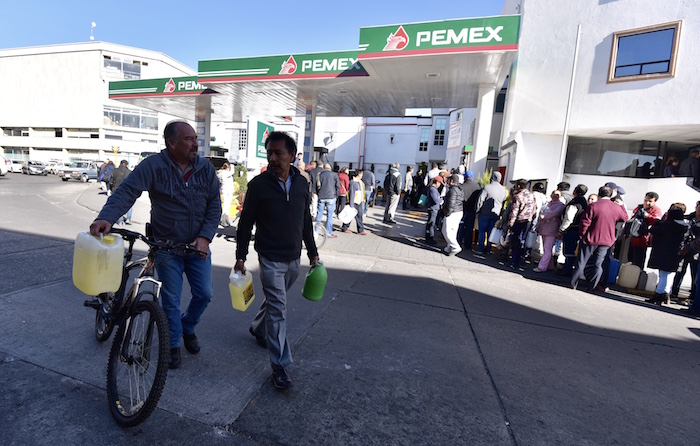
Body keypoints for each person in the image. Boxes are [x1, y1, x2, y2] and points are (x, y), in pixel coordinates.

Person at [90, 120, 221, 369]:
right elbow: (127, 191)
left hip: (197, 247)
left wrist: (205, 237)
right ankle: (172, 344)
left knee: (205, 294)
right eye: (189, 139)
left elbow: (214, 206)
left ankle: (187, 327)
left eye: (195, 138)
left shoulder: (205, 169)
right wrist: (106, 217)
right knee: (170, 300)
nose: (195, 144)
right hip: (166, 247)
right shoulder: (153, 166)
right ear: (171, 143)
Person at [234, 131, 320, 390]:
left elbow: (306, 220)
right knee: (279, 310)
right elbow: (245, 223)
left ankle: (258, 328)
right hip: (269, 257)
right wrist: (241, 256)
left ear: (291, 156)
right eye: (269, 153)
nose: (273, 158)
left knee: (274, 302)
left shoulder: (303, 184)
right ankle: (279, 366)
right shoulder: (259, 185)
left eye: (278, 153)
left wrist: (312, 253)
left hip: (294, 257)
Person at [571, 186, 628, 293]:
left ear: (598, 194)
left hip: (590, 238)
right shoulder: (616, 208)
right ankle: (592, 286)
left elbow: (585, 222)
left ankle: (573, 283)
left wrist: (582, 235)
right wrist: (622, 206)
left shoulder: (593, 206)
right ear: (611, 195)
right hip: (606, 240)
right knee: (598, 264)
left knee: (581, 262)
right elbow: (625, 218)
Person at [646, 204, 688, 305]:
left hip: (664, 252)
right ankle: (666, 294)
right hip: (676, 254)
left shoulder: (667, 225)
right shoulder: (684, 227)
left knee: (663, 274)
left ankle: (659, 294)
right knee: (669, 275)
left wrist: (660, 221)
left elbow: (653, 229)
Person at [671, 201, 700, 303]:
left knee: (695, 275)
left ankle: (693, 297)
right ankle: (674, 292)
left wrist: (690, 246)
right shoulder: (688, 218)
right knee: (679, 271)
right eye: (698, 207)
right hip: (683, 249)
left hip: (696, 251)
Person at [556, 184, 588, 276]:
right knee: (574, 250)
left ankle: (567, 269)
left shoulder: (575, 203)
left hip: (572, 229)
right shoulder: (584, 202)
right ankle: (569, 268)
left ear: (575, 191)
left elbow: (569, 218)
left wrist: (561, 230)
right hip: (580, 229)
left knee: (569, 250)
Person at [474, 171, 507, 254]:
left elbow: (480, 200)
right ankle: (488, 249)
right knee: (491, 232)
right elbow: (503, 203)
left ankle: (480, 248)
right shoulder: (503, 190)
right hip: (496, 214)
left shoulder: (487, 187)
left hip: (484, 213)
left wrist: (477, 211)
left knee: (482, 231)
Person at [627, 192, 662, 268]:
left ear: (655, 202)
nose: (647, 203)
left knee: (639, 261)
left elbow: (657, 222)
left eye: (650, 201)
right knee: (630, 260)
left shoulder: (656, 210)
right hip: (633, 237)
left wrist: (647, 216)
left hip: (643, 239)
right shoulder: (639, 208)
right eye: (645, 200)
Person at [507, 179, 536, 269]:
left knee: (516, 241)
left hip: (520, 220)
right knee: (523, 240)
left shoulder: (518, 196)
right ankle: (522, 260)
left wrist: (510, 223)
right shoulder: (531, 195)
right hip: (528, 220)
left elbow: (514, 211)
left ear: (518, 186)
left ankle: (515, 261)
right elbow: (534, 208)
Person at [535, 190, 565, 272]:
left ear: (560, 196)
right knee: (547, 248)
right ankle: (550, 265)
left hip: (552, 230)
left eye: (557, 195)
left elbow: (555, 213)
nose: (555, 196)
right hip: (544, 228)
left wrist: (544, 216)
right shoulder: (548, 203)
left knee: (547, 249)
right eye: (553, 194)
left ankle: (542, 267)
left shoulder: (561, 205)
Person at [458, 170, 482, 249]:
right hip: (472, 210)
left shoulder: (461, 186)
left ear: (465, 177)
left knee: (461, 227)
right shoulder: (478, 187)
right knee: (470, 228)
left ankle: (458, 242)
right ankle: (468, 245)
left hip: (462, 210)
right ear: (472, 177)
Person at [442, 174, 464, 256]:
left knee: (446, 231)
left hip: (452, 212)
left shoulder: (452, 190)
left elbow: (451, 203)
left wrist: (447, 213)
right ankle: (449, 248)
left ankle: (455, 247)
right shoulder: (460, 189)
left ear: (451, 181)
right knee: (453, 231)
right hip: (459, 211)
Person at [316, 163, 340, 238]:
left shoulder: (320, 174)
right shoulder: (334, 175)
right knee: (329, 216)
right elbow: (338, 186)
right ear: (330, 168)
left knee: (319, 214)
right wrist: (336, 195)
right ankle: (328, 232)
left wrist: (318, 194)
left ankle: (316, 231)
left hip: (322, 196)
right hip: (331, 196)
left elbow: (317, 185)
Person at [341, 170, 368, 235]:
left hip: (359, 201)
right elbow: (352, 193)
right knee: (350, 215)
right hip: (355, 202)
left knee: (359, 216)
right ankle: (345, 227)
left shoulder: (360, 182)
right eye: (361, 174)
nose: (362, 175)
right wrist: (351, 204)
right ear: (358, 174)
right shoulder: (353, 182)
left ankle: (360, 230)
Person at [108, 159, 133, 224]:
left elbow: (110, 181)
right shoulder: (129, 172)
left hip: (116, 190)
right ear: (127, 165)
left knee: (118, 205)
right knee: (129, 205)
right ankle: (128, 219)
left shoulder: (115, 171)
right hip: (127, 191)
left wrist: (111, 189)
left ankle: (120, 220)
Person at [217, 162, 236, 227]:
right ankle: (223, 221)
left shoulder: (220, 173)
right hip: (228, 190)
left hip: (225, 190)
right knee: (226, 206)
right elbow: (232, 172)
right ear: (227, 168)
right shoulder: (225, 173)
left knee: (227, 206)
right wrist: (232, 165)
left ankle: (227, 220)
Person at [424, 178, 441, 245]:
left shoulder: (432, 189)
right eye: (439, 183)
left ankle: (429, 238)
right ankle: (429, 238)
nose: (439, 185)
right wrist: (441, 199)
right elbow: (436, 200)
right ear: (436, 182)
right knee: (431, 224)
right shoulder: (433, 190)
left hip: (433, 208)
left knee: (431, 223)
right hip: (433, 209)